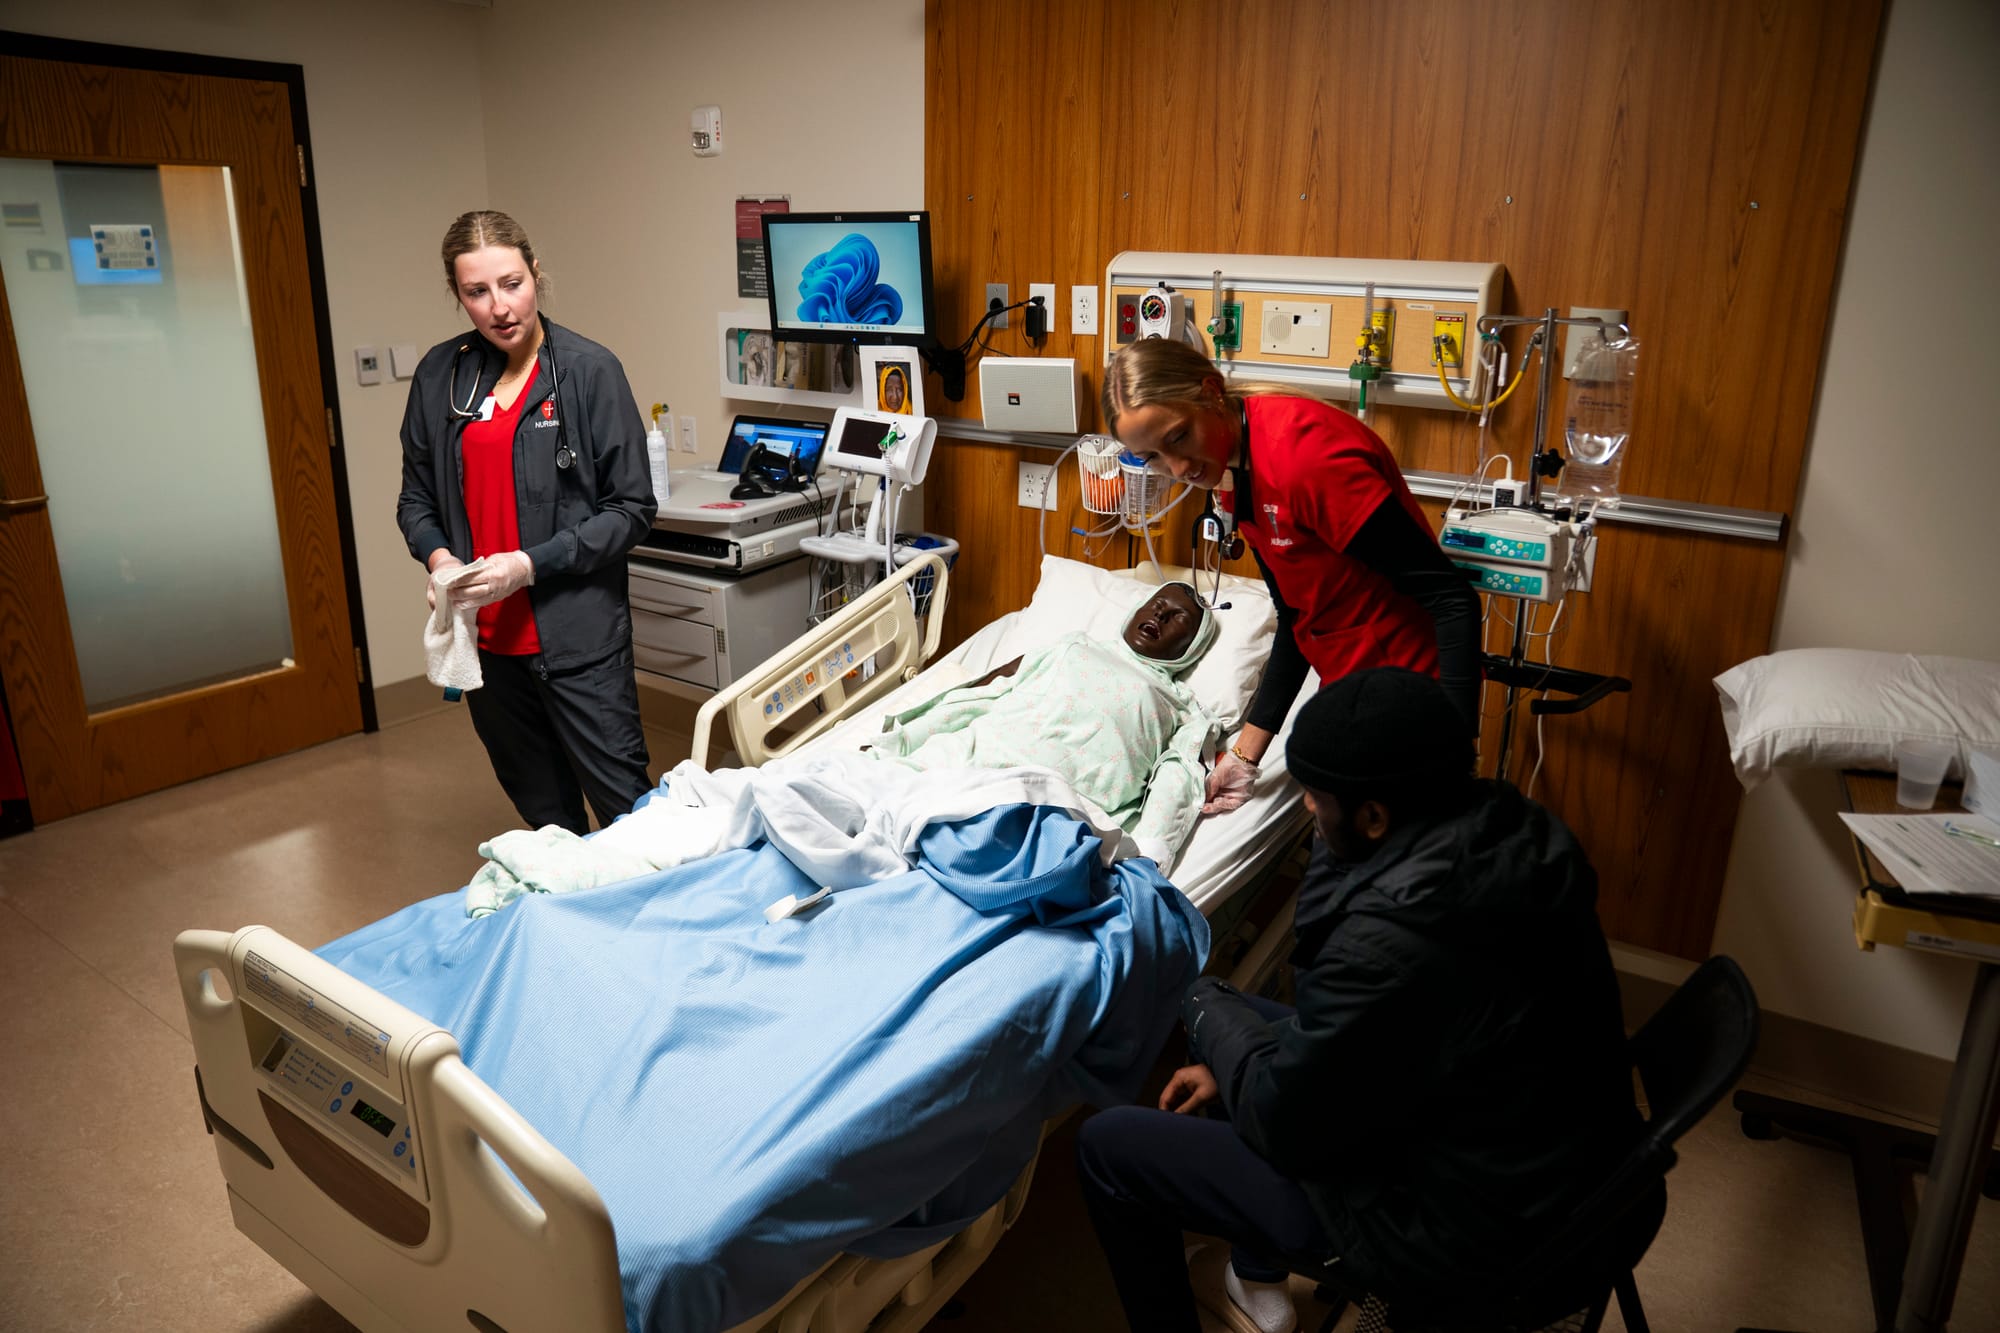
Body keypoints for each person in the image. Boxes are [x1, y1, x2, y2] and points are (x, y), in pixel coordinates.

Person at [1075, 668, 1646, 1332]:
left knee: (1114, 1135)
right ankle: (1254, 1276)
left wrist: (1216, 1033)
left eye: (1317, 800)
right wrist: (1242, 1056)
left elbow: (1287, 1117)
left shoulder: (1386, 942)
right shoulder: (1518, 827)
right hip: (1564, 1163)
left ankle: (1242, 1274)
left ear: (1375, 815)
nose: (1311, 814)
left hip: (1462, 1230)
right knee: (1235, 1023)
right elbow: (1378, 1028)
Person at [1102, 339, 1481, 814]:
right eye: (1152, 456)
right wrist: (1244, 756)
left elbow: (1451, 599)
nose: (1177, 469)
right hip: (1350, 688)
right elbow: (1296, 615)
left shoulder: (1306, 459)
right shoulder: (1231, 472)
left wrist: (1455, 755)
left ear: (1211, 393)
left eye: (1178, 437)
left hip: (1409, 697)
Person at [397, 210, 656, 836]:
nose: (499, 307)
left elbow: (632, 511)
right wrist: (442, 562)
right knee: (547, 823)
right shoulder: (441, 374)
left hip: (577, 640)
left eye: (512, 283)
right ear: (457, 295)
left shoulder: (589, 371)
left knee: (633, 816)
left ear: (536, 273)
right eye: (477, 292)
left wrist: (529, 564)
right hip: (485, 645)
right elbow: (416, 500)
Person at [874, 581, 1220, 865]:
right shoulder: (1073, 645)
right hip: (977, 760)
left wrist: (1150, 854)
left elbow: (1176, 780)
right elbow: (992, 690)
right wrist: (905, 738)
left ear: (1190, 647)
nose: (1160, 612)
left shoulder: (1181, 707)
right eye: (1157, 603)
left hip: (1060, 800)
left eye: (1179, 618)